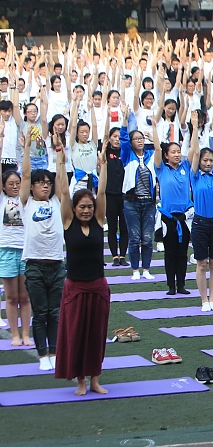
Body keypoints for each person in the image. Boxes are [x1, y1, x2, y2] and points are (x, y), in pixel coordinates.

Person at [54, 149, 110, 395]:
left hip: (97, 287)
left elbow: (101, 192)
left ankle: (95, 379)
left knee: (96, 336)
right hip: (75, 288)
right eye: (82, 207)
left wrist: (103, 166)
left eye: (89, 207)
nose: (86, 210)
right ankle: (80, 381)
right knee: (76, 335)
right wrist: (61, 159)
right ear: (74, 209)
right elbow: (64, 191)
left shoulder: (98, 220)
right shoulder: (68, 222)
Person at [21, 122, 68, 371]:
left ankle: (56, 352)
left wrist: (59, 151)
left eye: (47, 183)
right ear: (32, 188)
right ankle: (42, 356)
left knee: (55, 313)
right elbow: (26, 174)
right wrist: (27, 146)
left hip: (56, 265)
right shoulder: (26, 203)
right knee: (40, 313)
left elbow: (61, 179)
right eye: (41, 183)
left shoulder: (57, 202)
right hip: (35, 266)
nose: (45, 185)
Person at [188, 111, 213, 311]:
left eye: (211, 160)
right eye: (205, 160)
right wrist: (194, 127)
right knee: (201, 263)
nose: (209, 163)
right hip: (200, 223)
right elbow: (194, 151)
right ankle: (203, 300)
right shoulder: (195, 176)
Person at [153, 118, 193, 297]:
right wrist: (154, 127)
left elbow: (193, 150)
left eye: (178, 151)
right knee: (170, 253)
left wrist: (193, 129)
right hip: (167, 218)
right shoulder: (162, 169)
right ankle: (171, 285)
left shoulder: (185, 166)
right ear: (166, 155)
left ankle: (182, 284)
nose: (177, 154)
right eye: (173, 152)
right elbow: (156, 149)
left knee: (182, 253)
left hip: (184, 217)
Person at [118, 122, 157, 281]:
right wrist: (124, 120)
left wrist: (153, 137)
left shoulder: (150, 155)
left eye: (141, 138)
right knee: (134, 238)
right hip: (132, 202)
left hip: (149, 202)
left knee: (147, 238)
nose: (140, 141)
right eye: (136, 139)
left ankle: (146, 269)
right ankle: (135, 269)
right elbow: (123, 140)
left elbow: (160, 149)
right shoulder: (127, 155)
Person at [0, 169, 30, 346]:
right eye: (10, 183)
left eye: (17, 183)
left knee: (25, 297)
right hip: (6, 251)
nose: (14, 186)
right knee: (11, 297)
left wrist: (26, 148)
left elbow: (26, 175)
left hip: (25, 252)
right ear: (3, 186)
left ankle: (26, 334)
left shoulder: (25, 200)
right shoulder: (2, 199)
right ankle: (14, 335)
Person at [102, 127, 128, 266]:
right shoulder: (106, 152)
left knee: (124, 227)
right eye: (114, 136)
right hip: (110, 194)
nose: (117, 139)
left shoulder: (126, 152)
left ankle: (123, 255)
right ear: (109, 138)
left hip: (124, 195)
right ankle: (114, 256)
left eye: (119, 136)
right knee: (112, 226)